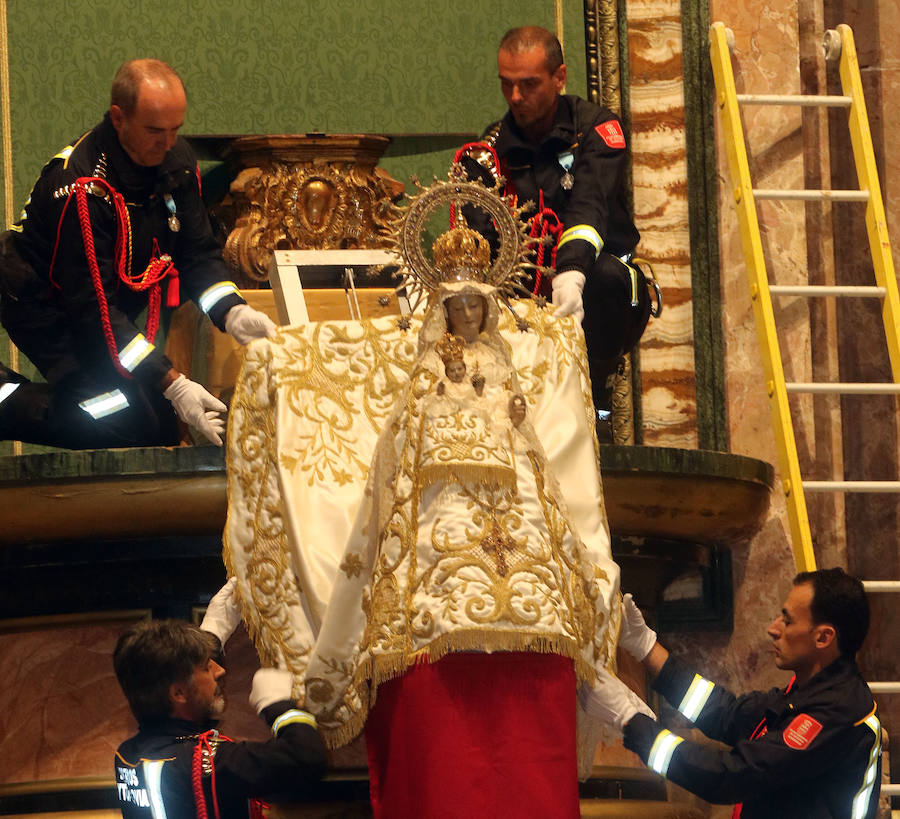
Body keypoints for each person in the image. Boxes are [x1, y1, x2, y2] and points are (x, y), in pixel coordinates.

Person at [299, 213, 620, 818]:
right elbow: (405, 441)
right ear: (441, 309)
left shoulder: (505, 366)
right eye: (457, 305)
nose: (468, 315)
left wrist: (513, 408)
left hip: (518, 535)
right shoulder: (426, 372)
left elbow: (529, 443)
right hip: (438, 532)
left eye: (477, 304)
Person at [0, 58, 276, 449]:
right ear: (118, 117)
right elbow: (93, 313)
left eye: (176, 130)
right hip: (47, 310)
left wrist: (231, 310)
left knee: (161, 426)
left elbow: (197, 252)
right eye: (154, 131)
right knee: (120, 422)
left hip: (107, 308)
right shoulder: (81, 186)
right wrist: (173, 382)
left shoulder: (176, 163)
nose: (168, 143)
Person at [581, 568, 883, 818]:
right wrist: (646, 646)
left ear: (823, 637)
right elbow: (727, 715)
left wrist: (631, 719)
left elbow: (730, 777)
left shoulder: (835, 713)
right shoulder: (810, 689)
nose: (773, 628)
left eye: (787, 620)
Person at [462, 25, 652, 413]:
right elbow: (482, 231)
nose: (515, 97)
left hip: (597, 284)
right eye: (507, 84)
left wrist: (570, 271)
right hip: (522, 288)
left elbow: (590, 206)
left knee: (606, 279)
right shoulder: (491, 146)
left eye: (529, 84)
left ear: (559, 77)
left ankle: (595, 397)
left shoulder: (597, 130)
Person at [113, 579, 326, 818]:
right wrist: (279, 706)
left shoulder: (128, 754)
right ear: (178, 693)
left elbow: (187, 724)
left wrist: (212, 634)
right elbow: (306, 758)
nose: (220, 671)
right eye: (206, 667)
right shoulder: (205, 765)